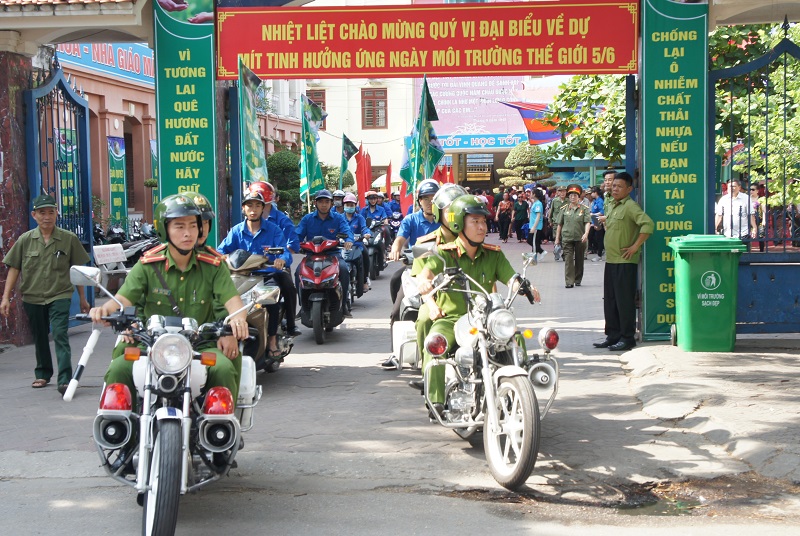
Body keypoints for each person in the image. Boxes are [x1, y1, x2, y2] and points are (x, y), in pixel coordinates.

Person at [89, 194, 249, 407]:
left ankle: (222, 423)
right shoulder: (148, 265)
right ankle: (121, 423)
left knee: (224, 368)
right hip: (152, 344)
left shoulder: (214, 266)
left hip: (200, 344)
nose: (188, 233)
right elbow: (121, 300)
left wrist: (238, 319)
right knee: (119, 368)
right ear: (165, 229)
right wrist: (103, 310)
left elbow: (233, 302)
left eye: (193, 226)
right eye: (179, 226)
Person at [414, 195, 540, 415]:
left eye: (483, 221)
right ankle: (435, 401)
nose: (482, 227)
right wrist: (425, 283)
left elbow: (510, 278)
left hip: (485, 320)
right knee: (435, 342)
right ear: (458, 223)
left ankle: (521, 393)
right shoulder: (444, 253)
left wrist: (523, 286)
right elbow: (425, 274)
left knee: (516, 337)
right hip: (451, 319)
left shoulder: (493, 255)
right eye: (475, 221)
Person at [1, 194, 91, 393]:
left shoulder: (69, 238)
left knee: (60, 333)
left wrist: (83, 299)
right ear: (34, 215)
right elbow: (14, 268)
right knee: (40, 336)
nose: (47, 217)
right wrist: (5, 298)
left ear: (57, 213)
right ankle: (42, 373)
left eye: (51, 212)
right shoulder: (25, 240)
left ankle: (65, 379)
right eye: (42, 213)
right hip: (32, 296)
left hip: (60, 294)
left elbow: (77, 270)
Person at [217, 188, 301, 354]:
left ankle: (274, 337)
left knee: (274, 298)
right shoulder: (236, 231)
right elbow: (220, 251)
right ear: (243, 208)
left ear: (263, 208)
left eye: (257, 206)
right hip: (242, 276)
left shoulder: (273, 229)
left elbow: (285, 251)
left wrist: (281, 260)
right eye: (249, 206)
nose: (253, 210)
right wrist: (221, 258)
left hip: (268, 275)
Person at [593, 172, 653, 352]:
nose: (615, 189)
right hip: (611, 260)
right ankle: (613, 336)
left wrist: (635, 246)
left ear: (629, 189)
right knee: (610, 301)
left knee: (624, 301)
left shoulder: (630, 206)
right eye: (613, 185)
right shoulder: (612, 204)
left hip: (625, 261)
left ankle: (627, 338)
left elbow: (648, 225)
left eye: (619, 186)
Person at [295, 189, 354, 315]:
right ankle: (302, 306)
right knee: (298, 272)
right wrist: (294, 245)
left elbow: (347, 231)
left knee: (344, 270)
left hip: (333, 255)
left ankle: (343, 304)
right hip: (311, 255)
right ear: (315, 203)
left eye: (327, 202)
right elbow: (297, 235)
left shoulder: (338, 218)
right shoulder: (307, 219)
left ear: (331, 204)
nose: (324, 205)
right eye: (321, 201)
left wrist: (348, 241)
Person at [388, 179, 441, 303]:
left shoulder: (445, 220)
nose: (430, 202)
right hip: (416, 266)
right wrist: (395, 249)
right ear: (419, 201)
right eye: (426, 198)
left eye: (433, 198)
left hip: (441, 265)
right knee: (395, 282)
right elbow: (400, 239)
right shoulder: (410, 219)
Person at [554, 185, 591, 288]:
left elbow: (587, 222)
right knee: (568, 260)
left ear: (579, 197)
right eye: (571, 195)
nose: (573, 197)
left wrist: (586, 233)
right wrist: (557, 239)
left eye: (575, 195)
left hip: (580, 238)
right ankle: (569, 281)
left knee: (579, 259)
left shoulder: (584, 209)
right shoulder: (564, 209)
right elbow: (559, 224)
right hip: (567, 238)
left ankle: (578, 279)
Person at [248, 181, 300, 254]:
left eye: (257, 204)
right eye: (249, 205)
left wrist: (271, 254)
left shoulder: (283, 221)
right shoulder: (240, 227)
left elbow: (293, 247)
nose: (253, 209)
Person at [341, 193, 372, 296]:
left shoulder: (359, 218)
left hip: (357, 245)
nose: (349, 207)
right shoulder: (339, 218)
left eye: (352, 205)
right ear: (344, 205)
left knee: (365, 256)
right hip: (342, 246)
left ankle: (364, 280)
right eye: (347, 205)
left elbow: (364, 228)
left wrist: (367, 234)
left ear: (355, 206)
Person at [548, 186, 568, 259]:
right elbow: (551, 211)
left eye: (564, 191)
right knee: (556, 239)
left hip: (565, 223)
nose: (562, 193)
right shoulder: (555, 201)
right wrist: (550, 220)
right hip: (556, 223)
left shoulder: (568, 201)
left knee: (565, 239)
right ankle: (556, 252)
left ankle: (564, 254)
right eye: (560, 191)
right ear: (558, 192)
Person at [528, 188, 546, 260]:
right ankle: (534, 257)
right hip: (533, 225)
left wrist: (534, 227)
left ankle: (541, 252)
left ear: (534, 194)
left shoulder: (538, 204)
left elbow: (538, 216)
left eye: (531, 193)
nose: (530, 194)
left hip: (536, 226)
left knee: (530, 241)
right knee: (534, 242)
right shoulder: (535, 203)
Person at [588, 186, 605, 257]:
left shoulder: (600, 201)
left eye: (592, 192)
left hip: (599, 220)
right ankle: (595, 249)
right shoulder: (595, 201)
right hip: (594, 220)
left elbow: (602, 212)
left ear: (596, 193)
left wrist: (593, 214)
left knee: (599, 237)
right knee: (591, 236)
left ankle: (600, 253)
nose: (591, 194)